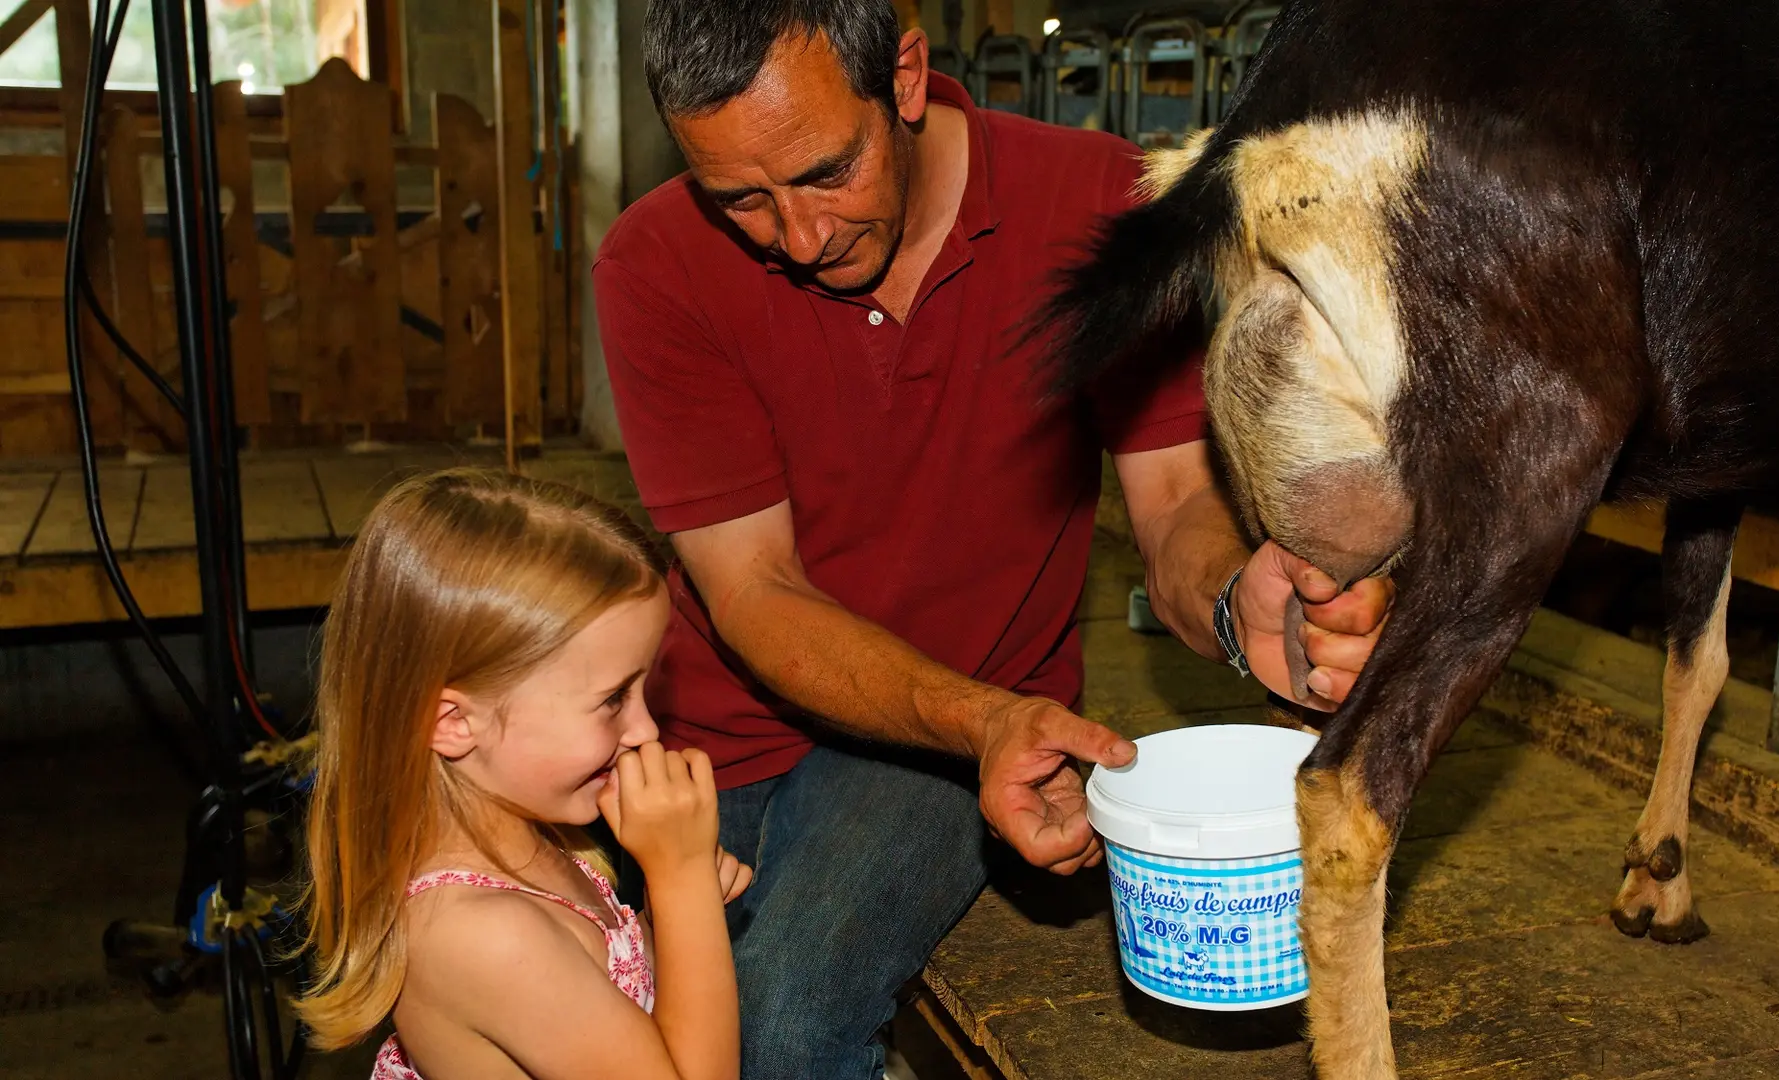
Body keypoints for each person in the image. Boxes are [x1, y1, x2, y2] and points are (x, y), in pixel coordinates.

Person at [592, 3, 1395, 1077]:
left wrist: (1234, 602)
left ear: (909, 76)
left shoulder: (1099, 202)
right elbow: (754, 593)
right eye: (740, 197)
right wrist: (987, 720)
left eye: (827, 171)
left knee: (780, 1027)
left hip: (943, 729)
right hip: (707, 737)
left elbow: (1173, 513)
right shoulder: (657, 262)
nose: (798, 236)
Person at [294, 468, 753, 1079]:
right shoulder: (483, 938)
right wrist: (683, 882)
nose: (645, 730)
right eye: (614, 698)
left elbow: (606, 999)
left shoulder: (537, 835)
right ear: (454, 721)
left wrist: (663, 924)